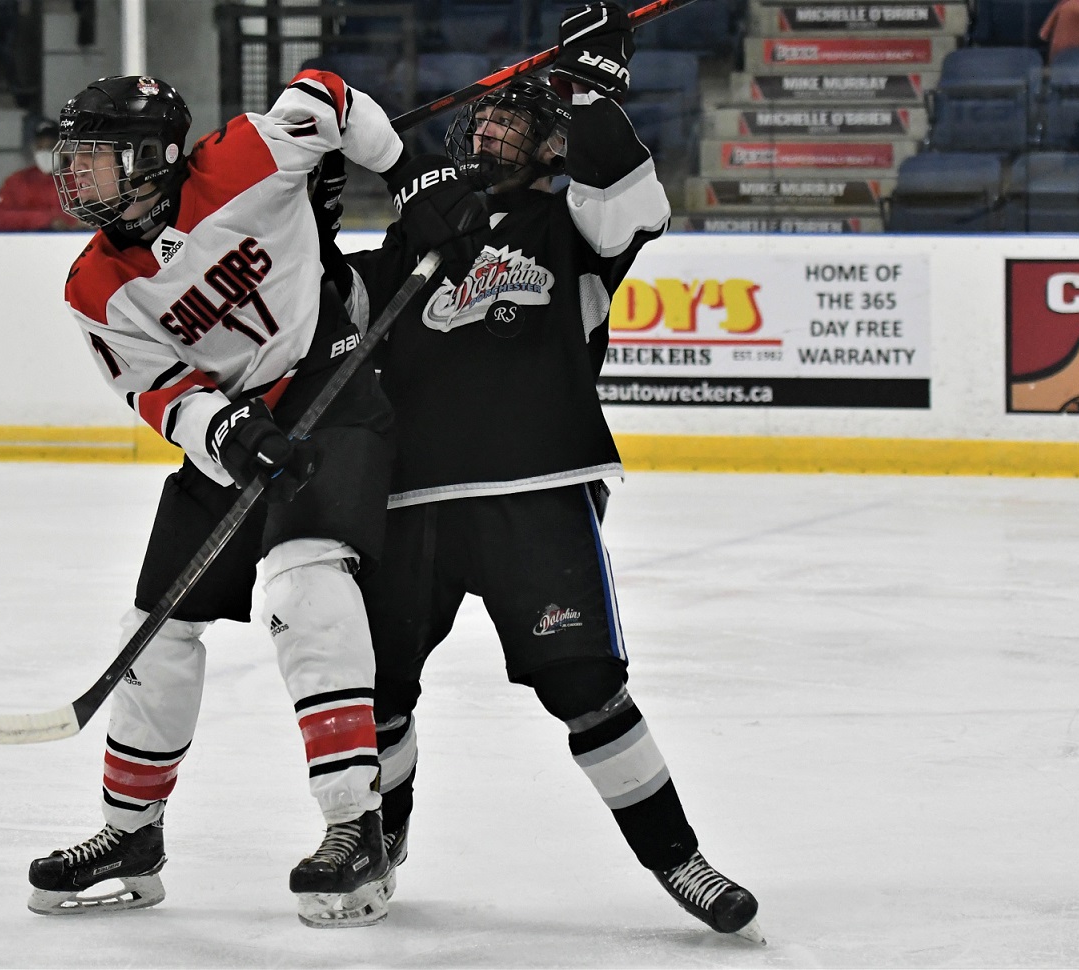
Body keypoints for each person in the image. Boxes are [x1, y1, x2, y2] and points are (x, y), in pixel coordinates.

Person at [318, 2, 766, 943]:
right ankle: (380, 844)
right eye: (481, 119)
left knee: (588, 686)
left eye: (513, 119)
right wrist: (304, 206)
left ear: (553, 142)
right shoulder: (423, 223)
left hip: (538, 491)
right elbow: (330, 310)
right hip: (404, 500)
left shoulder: (577, 226)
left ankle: (676, 855)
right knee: (380, 688)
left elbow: (635, 201)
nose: (486, 128)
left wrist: (596, 90)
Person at [22, 72, 476, 927]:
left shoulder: (244, 157)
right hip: (237, 435)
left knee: (305, 583)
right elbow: (159, 389)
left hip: (329, 387)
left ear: (154, 159)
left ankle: (354, 825)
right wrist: (223, 430)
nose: (75, 179)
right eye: (70, 161)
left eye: (95, 160)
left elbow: (328, 95)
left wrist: (411, 173)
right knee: (153, 630)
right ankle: (131, 835)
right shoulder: (94, 285)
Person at [0, 119, 84, 231]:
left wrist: (68, 221)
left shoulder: (82, 179)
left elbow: (99, 216)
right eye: (40, 147)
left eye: (51, 146)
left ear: (63, 147)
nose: (45, 152)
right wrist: (46, 219)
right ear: (33, 148)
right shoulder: (18, 181)